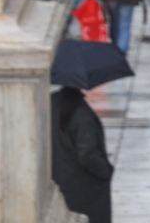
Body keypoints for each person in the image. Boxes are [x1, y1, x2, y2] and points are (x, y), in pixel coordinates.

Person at [51, 86, 113, 223]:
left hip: (58, 177)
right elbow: (87, 154)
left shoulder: (52, 102)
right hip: (84, 186)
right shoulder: (81, 112)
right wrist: (105, 171)